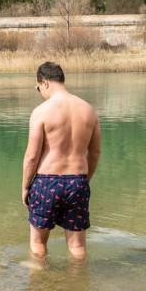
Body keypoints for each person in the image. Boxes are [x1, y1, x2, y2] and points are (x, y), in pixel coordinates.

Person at [21, 61, 102, 261]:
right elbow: (95, 152)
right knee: (77, 246)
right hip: (78, 181)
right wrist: (84, 180)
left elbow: (32, 156)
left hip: (47, 182)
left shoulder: (41, 111)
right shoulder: (88, 110)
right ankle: (77, 286)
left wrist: (24, 187)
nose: (39, 92)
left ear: (45, 83)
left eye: (38, 88)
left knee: (38, 243)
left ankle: (40, 285)